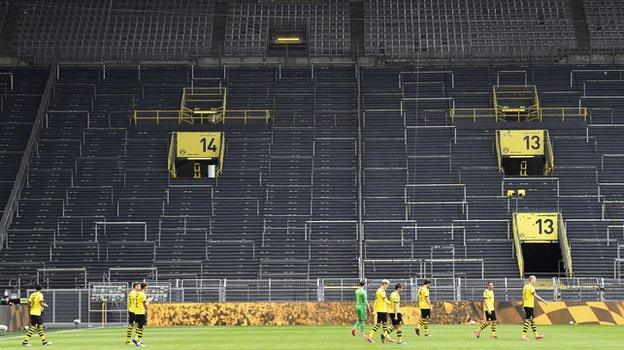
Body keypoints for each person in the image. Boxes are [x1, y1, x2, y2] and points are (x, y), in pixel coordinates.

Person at [521, 275, 547, 341]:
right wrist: (543, 301)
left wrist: (523, 305)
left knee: (532, 320)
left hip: (527, 305)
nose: (535, 281)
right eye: (535, 280)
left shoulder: (525, 287)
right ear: (531, 280)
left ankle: (536, 335)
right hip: (529, 306)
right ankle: (523, 336)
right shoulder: (531, 287)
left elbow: (523, 296)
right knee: (528, 320)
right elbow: (535, 296)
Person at [132, 282, 154, 347]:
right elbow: (145, 304)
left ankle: (137, 339)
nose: (147, 288)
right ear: (144, 287)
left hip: (136, 311)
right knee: (141, 327)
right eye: (147, 287)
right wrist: (149, 300)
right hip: (141, 312)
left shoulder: (137, 293)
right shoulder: (143, 294)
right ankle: (138, 342)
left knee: (139, 327)